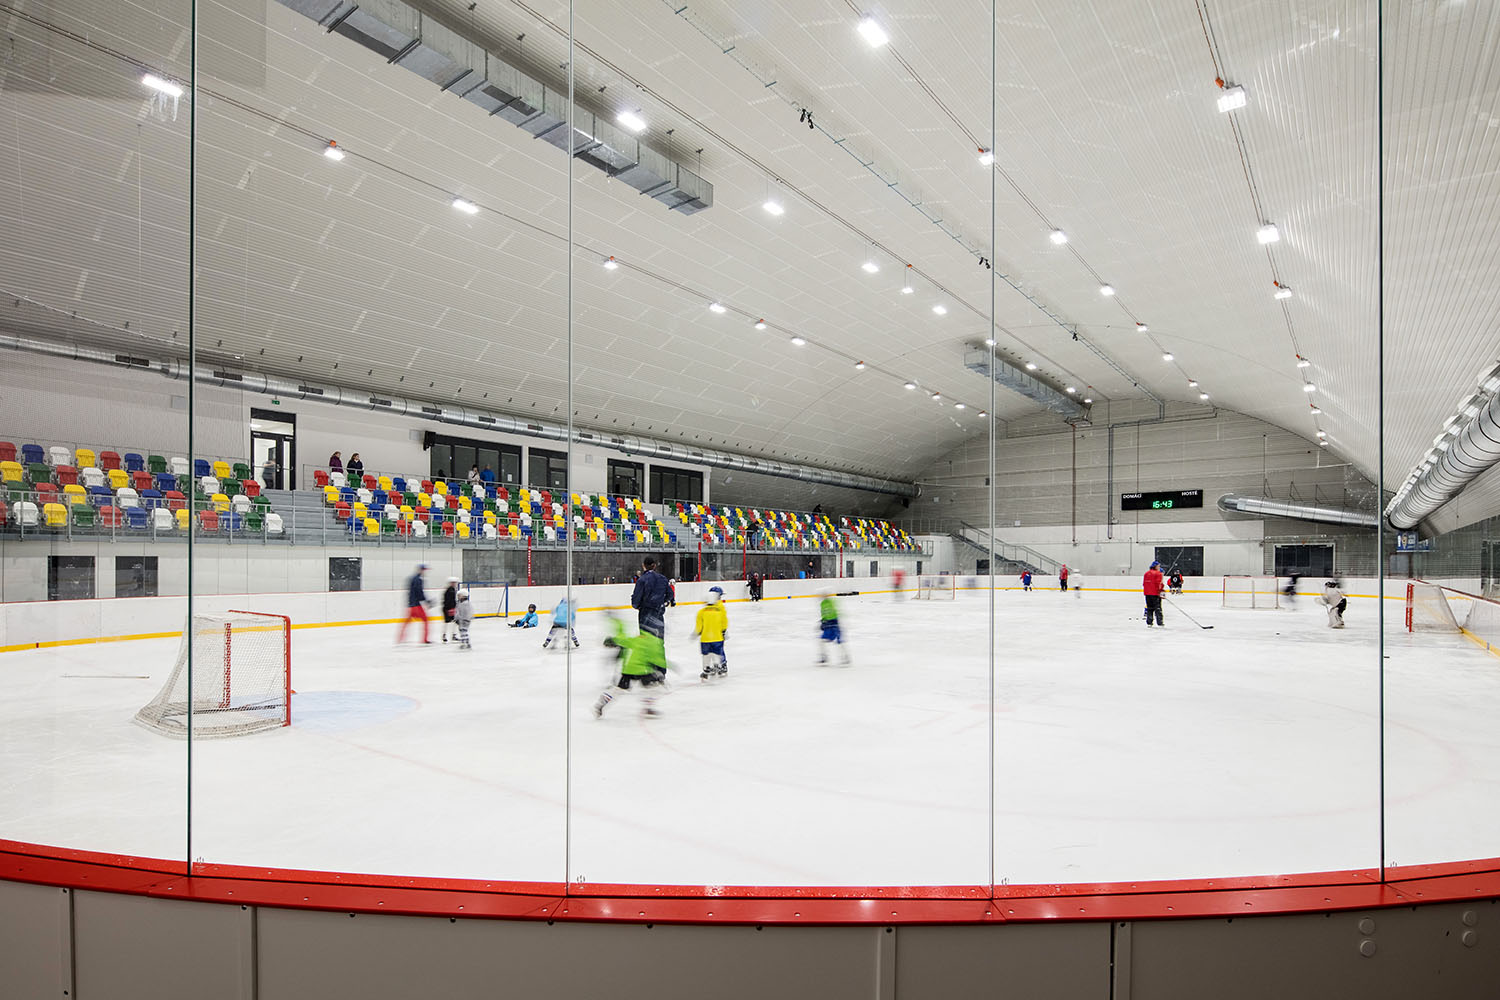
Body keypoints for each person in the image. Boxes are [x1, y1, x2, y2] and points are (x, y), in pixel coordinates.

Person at [593, 615, 671, 719]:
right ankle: (648, 708)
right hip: (642, 670)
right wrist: (664, 670)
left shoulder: (637, 638)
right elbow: (657, 659)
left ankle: (604, 701)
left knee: (619, 689)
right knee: (653, 687)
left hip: (628, 669)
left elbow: (623, 640)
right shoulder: (653, 642)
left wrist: (612, 640)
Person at [632, 556, 670, 640]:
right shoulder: (663, 578)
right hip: (658, 612)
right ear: (654, 566)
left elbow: (636, 599)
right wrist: (665, 602)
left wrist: (637, 606)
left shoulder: (642, 580)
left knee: (646, 640)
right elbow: (670, 594)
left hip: (645, 614)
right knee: (659, 639)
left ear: (643, 565)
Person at [695, 585, 729, 680]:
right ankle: (719, 665)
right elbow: (724, 619)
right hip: (717, 632)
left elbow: (723, 619)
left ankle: (720, 665)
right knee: (717, 650)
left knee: (714, 651)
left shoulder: (717, 606)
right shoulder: (718, 606)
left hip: (714, 633)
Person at [396, 564, 432, 644]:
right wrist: (427, 601)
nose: (425, 572)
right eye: (424, 570)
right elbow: (419, 593)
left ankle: (400, 638)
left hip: (410, 606)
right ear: (421, 570)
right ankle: (425, 639)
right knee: (426, 620)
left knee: (406, 623)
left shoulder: (411, 578)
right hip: (416, 606)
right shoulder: (418, 580)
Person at [817, 591, 850, 665]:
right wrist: (823, 621)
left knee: (839, 642)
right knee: (821, 641)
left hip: (834, 625)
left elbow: (836, 613)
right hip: (828, 626)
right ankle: (824, 657)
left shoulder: (832, 602)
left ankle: (845, 657)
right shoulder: (822, 604)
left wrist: (833, 622)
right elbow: (824, 614)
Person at [1143, 561, 1165, 628]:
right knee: (1158, 608)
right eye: (1158, 566)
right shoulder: (1158, 573)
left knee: (1149, 608)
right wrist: (1161, 591)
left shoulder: (1146, 573)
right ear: (1155, 566)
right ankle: (1160, 622)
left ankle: (1149, 622)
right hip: (1155, 593)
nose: (1159, 567)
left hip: (1147, 593)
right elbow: (1159, 584)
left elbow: (1144, 584)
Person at [440, 577, 460, 642]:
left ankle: (451, 635)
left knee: (454, 622)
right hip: (448, 609)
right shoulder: (450, 590)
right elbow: (448, 600)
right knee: (448, 622)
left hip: (449, 608)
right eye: (453, 583)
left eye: (455, 583)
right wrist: (450, 608)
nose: (454, 584)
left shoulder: (452, 589)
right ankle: (446, 635)